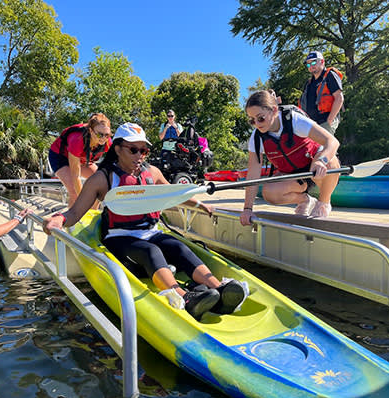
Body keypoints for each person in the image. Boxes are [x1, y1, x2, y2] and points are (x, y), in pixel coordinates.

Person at [43, 122, 246, 320]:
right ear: (118, 149)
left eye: (144, 151)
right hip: (119, 236)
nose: (140, 155)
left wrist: (201, 205)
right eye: (133, 150)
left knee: (178, 246)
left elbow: (176, 194)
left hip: (150, 231)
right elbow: (75, 212)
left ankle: (219, 289)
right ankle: (185, 298)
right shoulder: (103, 178)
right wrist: (58, 219)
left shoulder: (153, 173)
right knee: (151, 251)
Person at [240, 90, 340, 225]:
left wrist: (322, 160)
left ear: (274, 110)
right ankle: (305, 200)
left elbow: (332, 142)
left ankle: (323, 204)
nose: (257, 124)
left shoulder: (294, 120)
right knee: (269, 193)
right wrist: (247, 209)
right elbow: (252, 175)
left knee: (332, 163)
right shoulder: (257, 138)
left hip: (315, 166)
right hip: (293, 177)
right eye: (252, 120)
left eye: (261, 118)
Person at [48, 113, 112, 208]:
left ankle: (91, 215)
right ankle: (71, 221)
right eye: (99, 134)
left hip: (82, 158)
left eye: (107, 135)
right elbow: (76, 176)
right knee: (74, 192)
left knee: (101, 184)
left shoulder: (107, 142)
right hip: (60, 157)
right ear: (90, 130)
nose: (103, 138)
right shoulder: (77, 140)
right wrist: (83, 201)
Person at [299, 51, 344, 135]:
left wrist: (329, 121)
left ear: (322, 62)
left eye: (313, 62)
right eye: (308, 64)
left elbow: (339, 98)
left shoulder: (330, 75)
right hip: (312, 124)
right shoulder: (308, 83)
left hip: (325, 121)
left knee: (325, 147)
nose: (311, 66)